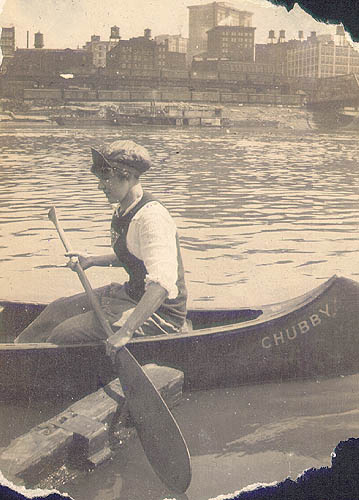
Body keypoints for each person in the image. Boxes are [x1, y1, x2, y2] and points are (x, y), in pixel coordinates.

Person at [15, 140, 187, 358]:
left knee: (63, 334)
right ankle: (14, 354)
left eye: (106, 178)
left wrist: (126, 332)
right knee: (56, 311)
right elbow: (134, 254)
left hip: (160, 314)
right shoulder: (124, 208)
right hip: (130, 295)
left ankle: (34, 369)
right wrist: (93, 260)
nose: (100, 186)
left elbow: (161, 285)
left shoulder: (152, 218)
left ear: (127, 176)